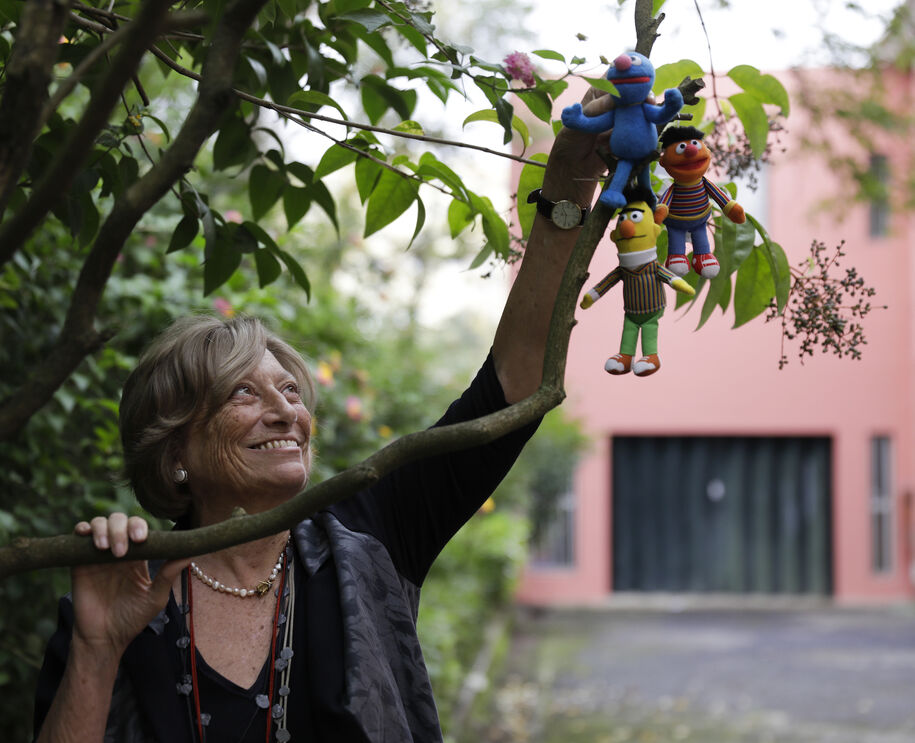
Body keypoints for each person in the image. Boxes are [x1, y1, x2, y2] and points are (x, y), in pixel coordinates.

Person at [32, 91, 611, 743]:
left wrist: (567, 184)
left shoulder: (370, 535)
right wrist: (98, 644)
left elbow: (512, 385)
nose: (285, 408)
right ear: (174, 453)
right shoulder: (125, 595)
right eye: (244, 395)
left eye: (288, 390)